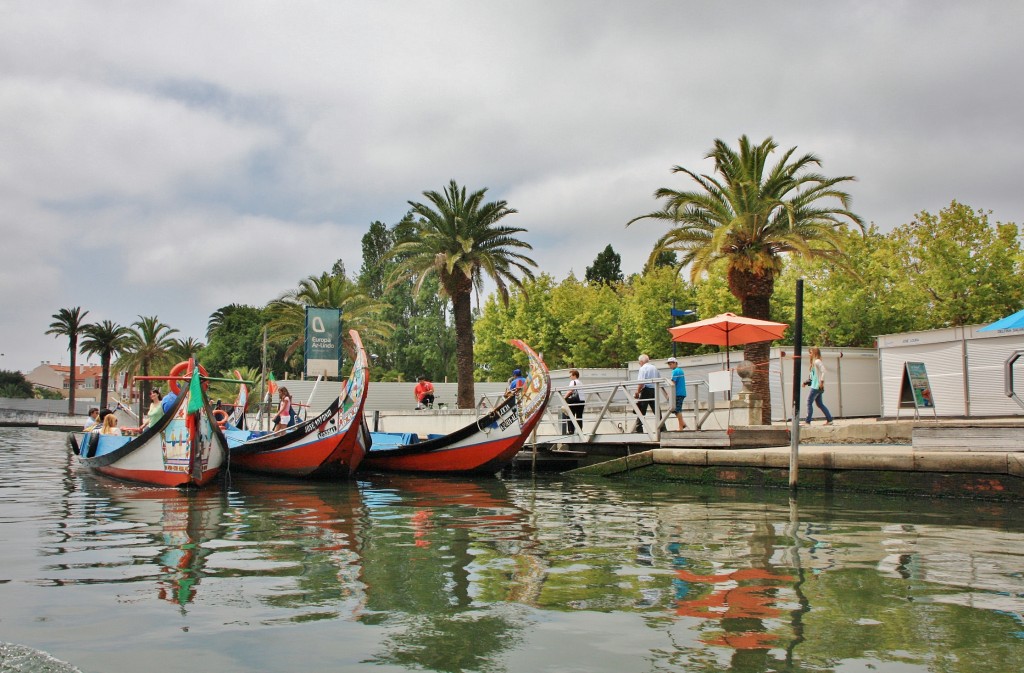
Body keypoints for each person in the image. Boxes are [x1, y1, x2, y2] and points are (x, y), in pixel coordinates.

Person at [803, 347, 834, 425]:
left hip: (816, 387)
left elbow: (824, 371)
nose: (809, 354)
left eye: (810, 352)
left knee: (809, 402)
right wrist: (806, 383)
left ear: (814, 353)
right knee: (820, 404)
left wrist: (822, 382)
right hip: (817, 386)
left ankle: (807, 421)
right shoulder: (813, 363)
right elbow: (812, 377)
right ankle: (829, 420)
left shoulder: (817, 361)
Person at [633, 354, 659, 433]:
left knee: (641, 409)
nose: (639, 364)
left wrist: (637, 392)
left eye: (639, 362)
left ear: (641, 361)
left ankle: (638, 428)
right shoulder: (654, 368)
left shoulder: (643, 368)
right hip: (654, 390)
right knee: (656, 409)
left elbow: (641, 382)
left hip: (646, 390)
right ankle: (662, 428)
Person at [562, 369, 586, 434]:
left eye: (570, 375)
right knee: (579, 416)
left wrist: (564, 398)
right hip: (581, 400)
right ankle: (579, 430)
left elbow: (570, 391)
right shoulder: (580, 382)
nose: (569, 377)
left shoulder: (573, 382)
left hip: (574, 401)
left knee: (569, 414)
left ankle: (571, 430)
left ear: (574, 375)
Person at [667, 356, 687, 431]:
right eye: (668, 364)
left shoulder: (675, 371)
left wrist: (669, 393)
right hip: (681, 392)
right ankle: (683, 424)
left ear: (675, 363)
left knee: (677, 409)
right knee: (675, 409)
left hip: (677, 393)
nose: (669, 365)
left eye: (671, 363)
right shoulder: (680, 370)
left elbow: (673, 382)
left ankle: (681, 427)